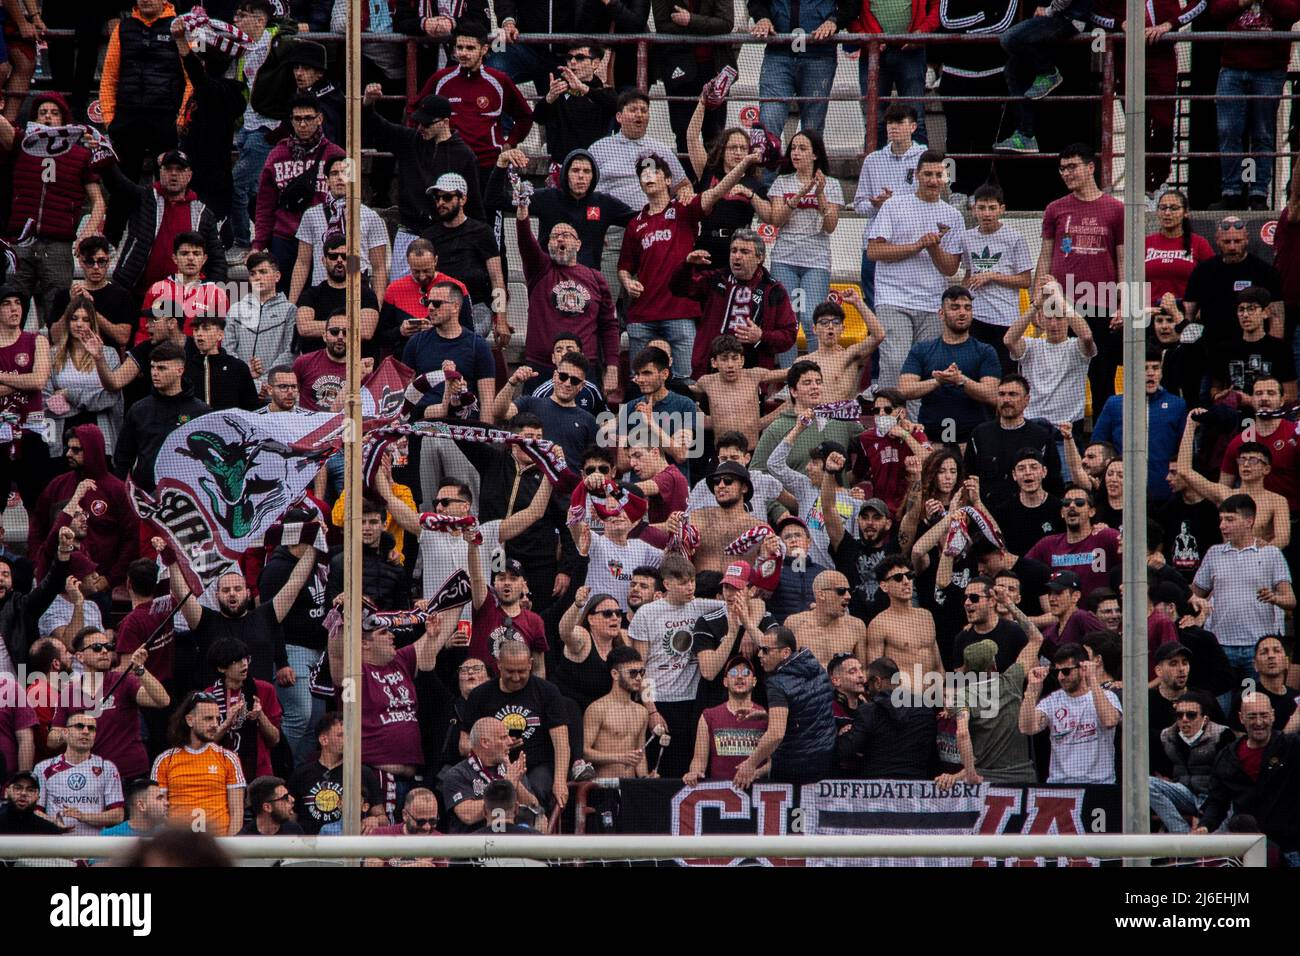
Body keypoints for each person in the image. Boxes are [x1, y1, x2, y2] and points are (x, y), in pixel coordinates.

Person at [618, 151, 764, 376]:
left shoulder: (684, 209)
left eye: (654, 172)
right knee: (640, 383)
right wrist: (627, 283)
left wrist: (744, 163)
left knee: (687, 382)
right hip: (642, 316)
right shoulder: (634, 224)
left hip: (681, 312)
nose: (648, 176)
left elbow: (717, 191)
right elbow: (624, 267)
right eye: (643, 174)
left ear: (668, 180)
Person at [1029, 144, 1125, 409]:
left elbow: (1123, 259)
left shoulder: (1116, 209)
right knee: (1059, 371)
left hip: (1101, 302)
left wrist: (1123, 302)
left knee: (1101, 374)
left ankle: (1102, 442)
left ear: (1090, 167)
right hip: (1060, 302)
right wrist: (1039, 300)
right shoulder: (1055, 209)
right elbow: (1045, 255)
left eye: (1072, 167)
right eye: (1062, 168)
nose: (1066, 173)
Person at [0, 92, 106, 325]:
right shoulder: (22, 144)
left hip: (58, 244)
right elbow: (3, 129)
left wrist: (86, 234)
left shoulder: (80, 154)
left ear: (64, 120)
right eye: (43, 113)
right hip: (21, 240)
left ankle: (55, 359)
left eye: (54, 113)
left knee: (58, 311)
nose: (48, 117)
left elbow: (98, 201)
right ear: (34, 118)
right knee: (10, 305)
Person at [166, 532, 319, 686]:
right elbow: (181, 593)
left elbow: (296, 582)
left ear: (247, 593)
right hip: (216, 706)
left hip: (259, 704)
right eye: (226, 590)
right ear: (217, 595)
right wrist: (170, 558)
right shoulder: (205, 620)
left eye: (238, 589)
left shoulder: (266, 615)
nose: (232, 593)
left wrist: (314, 544)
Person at [867, 150, 964, 392]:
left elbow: (950, 267)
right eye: (927, 174)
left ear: (946, 178)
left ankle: (918, 427)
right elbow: (874, 252)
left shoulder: (953, 215)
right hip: (893, 299)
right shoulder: (894, 205)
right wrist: (917, 245)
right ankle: (889, 417)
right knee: (895, 361)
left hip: (932, 303)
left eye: (939, 174)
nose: (933, 180)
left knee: (927, 369)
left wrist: (933, 249)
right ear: (917, 176)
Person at [362, 87, 482, 278]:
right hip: (408, 233)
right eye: (419, 122)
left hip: (445, 235)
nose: (421, 128)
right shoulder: (409, 140)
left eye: (426, 124)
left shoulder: (464, 155)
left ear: (445, 122)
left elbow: (474, 205)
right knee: (401, 294)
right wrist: (368, 104)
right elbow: (377, 127)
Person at [627, 554, 724, 777]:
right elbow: (640, 668)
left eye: (692, 581)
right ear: (667, 584)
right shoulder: (647, 613)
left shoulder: (700, 606)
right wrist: (651, 710)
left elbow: (742, 606)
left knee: (691, 770)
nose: (690, 587)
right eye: (683, 583)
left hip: (693, 702)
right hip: (660, 701)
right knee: (659, 770)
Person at [511, 201, 618, 394]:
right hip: (542, 367)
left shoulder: (595, 278)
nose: (560, 239)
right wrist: (522, 212)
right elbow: (525, 242)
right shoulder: (540, 270)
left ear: (578, 244)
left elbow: (609, 325)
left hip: (583, 368)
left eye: (566, 235)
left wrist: (612, 367)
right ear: (548, 244)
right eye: (554, 236)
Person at [462, 642, 579, 815]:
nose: (516, 677)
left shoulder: (547, 692)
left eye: (522, 671)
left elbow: (562, 743)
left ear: (531, 664)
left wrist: (560, 781)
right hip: (493, 766)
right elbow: (464, 744)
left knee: (537, 791)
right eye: (510, 671)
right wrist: (496, 747)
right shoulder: (480, 695)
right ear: (499, 664)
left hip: (537, 765)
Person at [99, 0, 188, 226]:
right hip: (127, 118)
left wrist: (181, 117)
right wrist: (110, 119)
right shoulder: (123, 28)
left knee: (170, 183)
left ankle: (171, 236)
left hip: (166, 118)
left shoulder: (182, 28)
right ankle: (112, 241)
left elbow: (192, 77)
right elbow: (109, 77)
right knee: (121, 185)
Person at [410, 20, 533, 178]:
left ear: (484, 50)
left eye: (470, 48)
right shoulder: (441, 79)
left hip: (488, 165)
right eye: (459, 47)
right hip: (448, 165)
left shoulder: (499, 80)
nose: (463, 53)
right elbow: (413, 110)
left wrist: (510, 143)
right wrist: (424, 144)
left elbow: (525, 116)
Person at [1208, 0, 1299, 210]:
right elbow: (1216, 10)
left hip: (1270, 68)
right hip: (1232, 66)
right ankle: (1231, 192)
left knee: (1263, 133)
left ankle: (1258, 193)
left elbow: (1293, 11)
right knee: (1228, 130)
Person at [675, 230, 800, 382]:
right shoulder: (716, 279)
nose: (737, 256)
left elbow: (789, 335)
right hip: (710, 372)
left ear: (759, 258)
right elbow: (679, 288)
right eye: (733, 251)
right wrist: (687, 265)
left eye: (744, 251)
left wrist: (762, 336)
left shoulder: (773, 290)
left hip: (751, 377)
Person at [103, 150, 226, 300]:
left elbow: (217, 259)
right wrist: (104, 153)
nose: (173, 174)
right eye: (168, 169)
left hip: (183, 299)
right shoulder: (144, 198)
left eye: (180, 170)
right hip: (137, 294)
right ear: (160, 173)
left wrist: (211, 293)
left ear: (189, 176)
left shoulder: (203, 213)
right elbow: (117, 184)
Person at [1194, 694, 1300, 865]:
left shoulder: (1292, 746)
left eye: (1264, 715)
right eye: (1252, 716)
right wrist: (1205, 826)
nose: (1259, 722)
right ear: (1241, 718)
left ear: (1273, 715)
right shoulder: (1227, 757)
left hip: (1292, 850)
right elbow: (1216, 801)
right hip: (1249, 853)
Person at [253, 94, 346, 285]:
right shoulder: (277, 155)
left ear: (319, 118)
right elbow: (264, 206)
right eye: (297, 119)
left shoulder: (338, 155)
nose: (303, 125)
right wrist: (259, 244)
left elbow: (351, 200)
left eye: (308, 118)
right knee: (285, 299)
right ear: (291, 120)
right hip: (285, 240)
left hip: (325, 240)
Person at [767, 130, 841, 364]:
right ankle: (790, 376)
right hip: (784, 259)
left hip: (816, 261)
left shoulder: (832, 185)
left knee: (812, 319)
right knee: (787, 321)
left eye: (802, 148)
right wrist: (800, 193)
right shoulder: (782, 182)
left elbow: (830, 226)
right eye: (793, 148)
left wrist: (819, 195)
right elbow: (777, 220)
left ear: (815, 154)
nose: (796, 153)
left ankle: (815, 374)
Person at [897, 285, 1001, 445]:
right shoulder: (921, 350)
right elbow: (904, 390)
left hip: (974, 440)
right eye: (955, 307)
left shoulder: (985, 351)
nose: (962, 313)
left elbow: (992, 395)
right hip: (932, 438)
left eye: (967, 308)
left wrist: (961, 380)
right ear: (941, 313)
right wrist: (938, 381)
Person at [736, 625, 835, 787]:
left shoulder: (777, 683)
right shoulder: (816, 667)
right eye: (760, 649)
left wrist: (750, 764)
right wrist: (766, 714)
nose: (760, 655)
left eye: (766, 650)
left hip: (794, 768)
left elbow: (775, 734)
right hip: (825, 760)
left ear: (785, 653)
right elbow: (805, 711)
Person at [992, 0, 1091, 154]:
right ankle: (1025, 135)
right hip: (1056, 18)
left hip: (1067, 19)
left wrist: (1048, 11)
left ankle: (1048, 72)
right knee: (1013, 70)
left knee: (1009, 39)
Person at [289, 155, 390, 304]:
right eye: (334, 173)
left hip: (357, 291)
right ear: (327, 180)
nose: (340, 178)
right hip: (322, 293)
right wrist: (292, 303)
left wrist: (378, 305)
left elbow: (379, 267)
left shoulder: (370, 216)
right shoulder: (312, 215)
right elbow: (302, 263)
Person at [852, 104, 925, 311]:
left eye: (899, 122)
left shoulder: (927, 158)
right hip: (876, 242)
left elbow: (936, 200)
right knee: (873, 303)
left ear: (912, 127)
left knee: (909, 303)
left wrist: (895, 203)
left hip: (911, 243)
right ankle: (876, 342)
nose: (893, 127)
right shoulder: (872, 160)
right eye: (889, 123)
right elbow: (859, 205)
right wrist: (876, 205)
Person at [1175, 418, 1289, 549]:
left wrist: (1262, 552)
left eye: (1253, 460)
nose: (1246, 464)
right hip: (1229, 564)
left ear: (1266, 469)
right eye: (1242, 460)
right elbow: (1184, 471)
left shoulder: (1277, 501)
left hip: (1259, 564)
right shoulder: (1225, 494)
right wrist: (1190, 425)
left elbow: (1283, 538)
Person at [420, 172, 508, 342]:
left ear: (463, 199)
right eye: (437, 198)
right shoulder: (428, 236)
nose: (440, 203)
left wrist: (501, 320)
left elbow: (497, 278)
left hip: (475, 307)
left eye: (447, 197)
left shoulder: (482, 232)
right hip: (437, 308)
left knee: (468, 338)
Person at [1087, 347, 1186, 498]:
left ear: (1161, 371)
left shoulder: (1176, 405)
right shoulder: (1115, 404)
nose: (1150, 373)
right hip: (1123, 494)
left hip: (1165, 492)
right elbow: (1097, 446)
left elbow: (1184, 451)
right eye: (1144, 368)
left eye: (1155, 368)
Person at [1005, 279, 1097, 440]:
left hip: (1066, 430)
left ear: (1067, 318)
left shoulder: (1076, 347)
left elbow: (1087, 336)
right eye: (1049, 317)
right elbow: (1008, 340)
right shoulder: (1031, 346)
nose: (1054, 324)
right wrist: (1036, 304)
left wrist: (1059, 298)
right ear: (1040, 319)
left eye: (1060, 317)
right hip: (1032, 426)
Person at [1020, 643, 1123, 784]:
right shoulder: (1052, 701)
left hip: (1099, 783)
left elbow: (1110, 721)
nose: (1061, 677)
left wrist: (1092, 679)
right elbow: (1027, 728)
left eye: (1066, 671)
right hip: (1060, 784)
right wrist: (1032, 690)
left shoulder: (1107, 696)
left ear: (1082, 668)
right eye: (1058, 672)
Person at [113, 341, 210, 491]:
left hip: (188, 496)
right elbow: (123, 459)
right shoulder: (139, 410)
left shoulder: (200, 412)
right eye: (152, 367)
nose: (155, 373)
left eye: (161, 368)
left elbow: (209, 460)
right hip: (146, 496)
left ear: (179, 370)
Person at [957, 183, 1033, 370]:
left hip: (1005, 319)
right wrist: (959, 295)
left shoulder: (1015, 238)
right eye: (981, 208)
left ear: (1002, 209)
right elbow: (969, 274)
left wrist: (992, 276)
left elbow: (1025, 280)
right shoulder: (966, 237)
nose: (987, 213)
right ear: (974, 210)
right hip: (976, 318)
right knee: (975, 372)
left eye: (992, 208)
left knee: (1004, 373)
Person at [151, 690, 247, 837]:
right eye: (208, 719)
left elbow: (237, 813)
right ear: (190, 720)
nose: (215, 724)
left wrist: (228, 850)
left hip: (217, 847)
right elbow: (158, 813)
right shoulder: (165, 761)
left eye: (217, 719)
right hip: (179, 847)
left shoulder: (228, 759)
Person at [1183, 217, 1283, 352]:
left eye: (1237, 241)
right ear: (1217, 240)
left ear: (1246, 239)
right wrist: (1187, 349)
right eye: (1226, 242)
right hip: (1212, 350)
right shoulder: (1202, 272)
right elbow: (1188, 315)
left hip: (1252, 350)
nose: (1232, 247)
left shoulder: (1265, 272)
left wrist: (1273, 352)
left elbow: (1276, 319)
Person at [836, 655, 940, 779]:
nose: (867, 691)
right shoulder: (925, 708)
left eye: (868, 685)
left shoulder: (868, 711)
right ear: (899, 682)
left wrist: (843, 736)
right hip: (917, 788)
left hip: (875, 790)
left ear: (877, 682)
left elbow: (844, 751)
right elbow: (934, 753)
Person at [750, 0, 840, 140]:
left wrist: (835, 21)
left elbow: (851, 5)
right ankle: (766, 159)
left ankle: (809, 161)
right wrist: (762, 17)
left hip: (819, 56)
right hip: (778, 54)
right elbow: (755, 3)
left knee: (812, 128)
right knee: (769, 120)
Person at [589, 90, 690, 212]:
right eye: (633, 110)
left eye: (644, 111)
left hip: (647, 222)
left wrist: (685, 192)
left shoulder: (661, 150)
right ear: (619, 117)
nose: (639, 114)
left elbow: (683, 185)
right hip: (608, 222)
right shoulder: (599, 148)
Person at [288, 713, 386, 835]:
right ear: (324, 740)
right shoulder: (301, 774)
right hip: (310, 848)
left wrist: (374, 819)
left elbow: (383, 818)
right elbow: (290, 820)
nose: (348, 739)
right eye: (341, 735)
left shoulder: (362, 772)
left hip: (349, 847)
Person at [1149, 690, 1234, 833]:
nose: (1185, 719)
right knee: (1145, 783)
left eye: (1191, 715)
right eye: (1179, 715)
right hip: (1185, 794)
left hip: (1214, 797)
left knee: (1231, 805)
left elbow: (1226, 779)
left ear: (1205, 719)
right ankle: (1181, 834)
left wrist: (1205, 811)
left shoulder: (1222, 735)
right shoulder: (1167, 736)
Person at [201, 637, 283, 782]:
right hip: (220, 771)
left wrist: (260, 715)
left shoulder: (264, 689)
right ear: (221, 668)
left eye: (246, 658)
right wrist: (227, 723)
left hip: (259, 772)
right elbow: (204, 743)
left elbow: (275, 739)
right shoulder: (208, 696)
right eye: (236, 661)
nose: (244, 664)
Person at [441, 717, 543, 833]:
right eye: (503, 738)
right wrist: (507, 785)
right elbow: (467, 814)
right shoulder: (458, 774)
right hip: (474, 844)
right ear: (485, 743)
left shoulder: (511, 769)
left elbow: (533, 806)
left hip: (511, 841)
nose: (510, 742)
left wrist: (516, 783)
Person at [34, 713, 125, 837]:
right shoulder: (44, 768)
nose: (86, 732)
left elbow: (118, 815)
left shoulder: (107, 768)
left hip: (93, 850)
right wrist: (52, 822)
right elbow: (35, 810)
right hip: (57, 849)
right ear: (65, 733)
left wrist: (83, 816)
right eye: (79, 726)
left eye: (91, 728)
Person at [684, 655, 769, 785]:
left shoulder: (766, 716)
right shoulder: (709, 716)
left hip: (756, 794)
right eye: (733, 672)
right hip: (721, 793)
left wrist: (755, 773)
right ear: (725, 681)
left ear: (754, 681)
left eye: (746, 673)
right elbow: (699, 761)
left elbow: (774, 761)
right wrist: (694, 773)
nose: (739, 677)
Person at [859, 553, 944, 681]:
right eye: (898, 578)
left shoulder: (926, 616)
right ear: (884, 586)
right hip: (902, 697)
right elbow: (875, 675)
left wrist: (940, 690)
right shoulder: (879, 625)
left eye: (909, 576)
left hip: (933, 695)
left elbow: (938, 665)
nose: (906, 582)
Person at [295, 235, 381, 359]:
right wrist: (349, 328)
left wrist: (327, 329)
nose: (339, 260)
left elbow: (366, 331)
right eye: (333, 256)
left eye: (345, 256)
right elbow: (304, 328)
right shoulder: (310, 295)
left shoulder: (366, 294)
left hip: (358, 366)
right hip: (319, 368)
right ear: (324, 261)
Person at [137, 231, 231, 345]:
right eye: (184, 253)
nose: (191, 258)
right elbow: (144, 329)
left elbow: (222, 335)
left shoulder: (217, 294)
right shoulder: (157, 290)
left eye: (196, 254)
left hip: (199, 360)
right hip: (162, 358)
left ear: (204, 259)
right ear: (174, 258)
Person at [529, 41, 618, 161]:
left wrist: (583, 88)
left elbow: (616, 105)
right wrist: (549, 98)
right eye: (569, 58)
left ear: (595, 63)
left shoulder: (603, 91)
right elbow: (538, 118)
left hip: (594, 162)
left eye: (580, 58)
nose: (573, 62)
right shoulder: (558, 88)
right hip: (562, 162)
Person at [224, 252, 295, 398]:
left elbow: (290, 352)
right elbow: (227, 350)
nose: (257, 277)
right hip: (240, 390)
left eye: (263, 272)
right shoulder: (236, 309)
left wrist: (266, 382)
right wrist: (246, 375)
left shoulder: (289, 310)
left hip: (275, 394)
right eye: (252, 273)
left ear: (277, 276)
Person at [49, 236, 137, 349]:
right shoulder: (65, 295)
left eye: (101, 262)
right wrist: (71, 306)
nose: (96, 267)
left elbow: (123, 338)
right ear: (81, 261)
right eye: (90, 262)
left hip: (107, 359)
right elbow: (55, 338)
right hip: (71, 358)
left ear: (108, 261)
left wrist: (91, 309)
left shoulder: (122, 296)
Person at [582, 645, 651, 779]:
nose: (638, 678)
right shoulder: (598, 709)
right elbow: (584, 752)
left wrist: (645, 778)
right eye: (632, 673)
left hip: (630, 788)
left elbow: (640, 755)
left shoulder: (642, 712)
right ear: (615, 674)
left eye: (641, 672)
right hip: (603, 787)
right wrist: (620, 757)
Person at [1146, 189, 1214, 304]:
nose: (1167, 213)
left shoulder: (1199, 243)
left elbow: (1213, 279)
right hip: (1151, 313)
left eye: (1174, 208)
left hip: (1185, 314)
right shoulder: (1145, 243)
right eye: (1163, 208)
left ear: (1185, 212)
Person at [787, 571, 867, 668]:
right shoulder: (795, 624)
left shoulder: (856, 626)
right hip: (806, 681)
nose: (848, 596)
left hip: (842, 682)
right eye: (841, 591)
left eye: (848, 591)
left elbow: (863, 670)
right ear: (821, 594)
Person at [186, 315, 260, 412]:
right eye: (196, 330)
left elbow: (251, 406)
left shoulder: (237, 367)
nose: (199, 334)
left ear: (220, 335)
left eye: (206, 329)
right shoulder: (186, 367)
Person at [101, 778, 170, 838]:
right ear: (141, 806)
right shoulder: (108, 836)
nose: (167, 803)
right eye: (159, 798)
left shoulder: (168, 835)